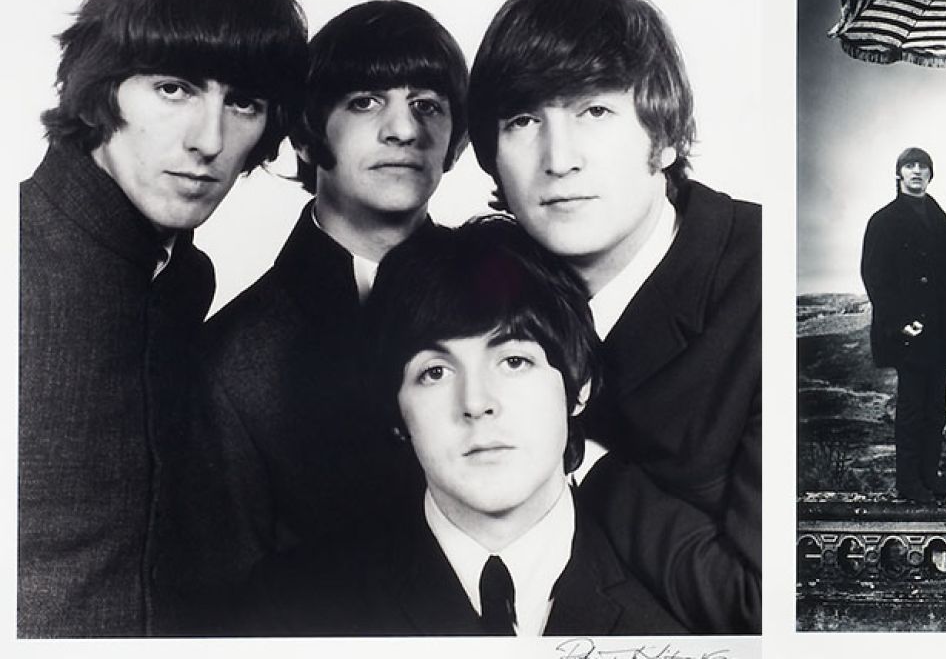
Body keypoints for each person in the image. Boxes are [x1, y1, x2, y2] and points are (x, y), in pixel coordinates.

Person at [18, 0, 307, 637]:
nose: (207, 140)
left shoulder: (183, 279)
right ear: (101, 87)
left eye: (243, 103)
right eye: (173, 88)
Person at [164, 0, 470, 632]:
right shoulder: (231, 360)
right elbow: (221, 609)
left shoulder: (510, 298)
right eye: (365, 102)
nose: (404, 131)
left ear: (457, 141)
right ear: (304, 133)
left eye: (428, 104)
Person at [466, 0, 759, 633]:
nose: (558, 158)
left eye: (594, 111)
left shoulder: (764, 286)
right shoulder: (474, 283)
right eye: (522, 120)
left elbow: (758, 609)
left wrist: (587, 464)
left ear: (665, 135)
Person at [245, 217, 685, 636]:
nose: (476, 403)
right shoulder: (291, 609)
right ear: (396, 411)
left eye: (514, 361)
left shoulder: (684, 606)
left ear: (580, 385)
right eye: (435, 372)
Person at [861, 147, 946, 503]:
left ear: (930, 174)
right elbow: (874, 276)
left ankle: (929, 476)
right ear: (899, 174)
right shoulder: (883, 220)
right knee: (911, 408)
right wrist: (898, 323)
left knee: (935, 408)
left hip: (941, 331)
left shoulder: (940, 219)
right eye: (909, 166)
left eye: (922, 167)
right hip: (910, 331)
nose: (916, 172)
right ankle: (908, 482)